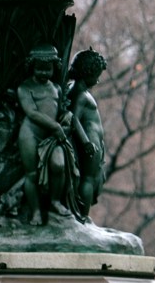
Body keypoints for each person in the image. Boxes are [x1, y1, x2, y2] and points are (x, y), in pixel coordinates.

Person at [16, 44, 80, 223]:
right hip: (30, 134)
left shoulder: (56, 89)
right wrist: (56, 127)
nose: (44, 73)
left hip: (52, 136)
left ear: (54, 67)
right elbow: (32, 113)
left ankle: (54, 202)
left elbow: (59, 110)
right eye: (39, 69)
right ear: (32, 66)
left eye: (48, 69)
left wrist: (65, 116)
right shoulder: (25, 87)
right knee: (32, 174)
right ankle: (36, 211)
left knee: (58, 165)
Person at [67, 48, 107, 216]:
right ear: (87, 73)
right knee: (88, 179)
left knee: (91, 178)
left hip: (92, 141)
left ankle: (82, 214)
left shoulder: (77, 91)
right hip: (89, 143)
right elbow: (73, 119)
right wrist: (85, 142)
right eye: (96, 75)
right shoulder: (80, 95)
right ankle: (82, 215)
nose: (97, 81)